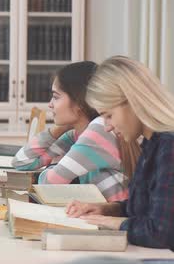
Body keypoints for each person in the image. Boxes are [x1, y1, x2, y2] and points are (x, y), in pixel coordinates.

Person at [66, 56, 174, 249]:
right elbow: (144, 207)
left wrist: (115, 223)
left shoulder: (169, 146)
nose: (107, 127)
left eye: (109, 115)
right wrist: (105, 210)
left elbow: (160, 232)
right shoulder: (153, 144)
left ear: (132, 102)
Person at [12, 61, 138, 201]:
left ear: (78, 101)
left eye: (56, 97)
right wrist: (58, 130)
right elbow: (22, 162)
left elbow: (48, 184)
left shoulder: (99, 131)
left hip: (121, 217)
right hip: (102, 214)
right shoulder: (77, 134)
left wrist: (55, 168)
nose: (50, 104)